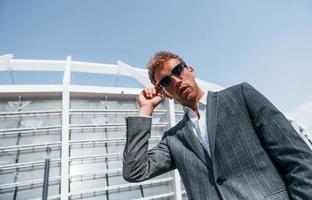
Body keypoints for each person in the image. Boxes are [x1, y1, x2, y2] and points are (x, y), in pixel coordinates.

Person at [122, 51, 312, 200]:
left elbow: (299, 159)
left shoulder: (241, 96)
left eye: (178, 70)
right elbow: (135, 171)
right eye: (166, 82)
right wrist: (145, 110)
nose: (177, 80)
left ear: (191, 70)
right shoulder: (173, 139)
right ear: (166, 93)